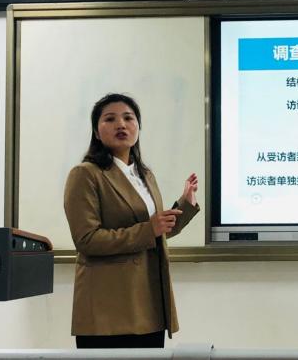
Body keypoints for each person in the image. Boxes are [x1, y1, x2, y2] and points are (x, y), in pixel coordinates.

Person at [63, 93, 199, 349]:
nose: (121, 125)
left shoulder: (144, 175)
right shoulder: (85, 174)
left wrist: (185, 205)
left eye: (128, 118)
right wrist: (149, 229)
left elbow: (156, 233)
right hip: (108, 307)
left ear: (138, 126)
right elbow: (87, 240)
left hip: (149, 302)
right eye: (110, 119)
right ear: (96, 131)